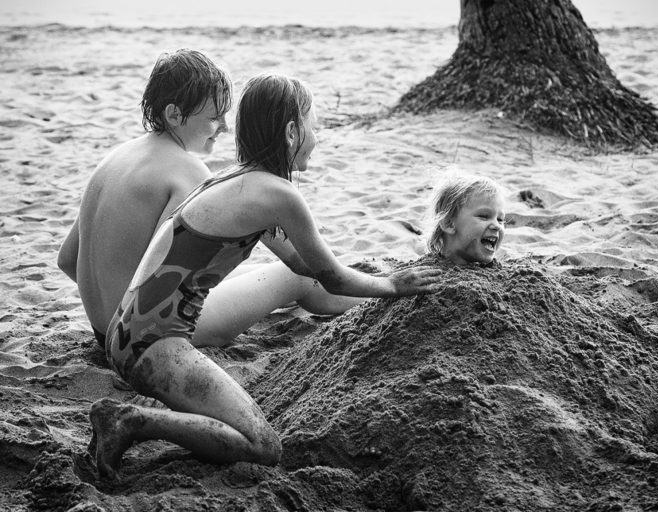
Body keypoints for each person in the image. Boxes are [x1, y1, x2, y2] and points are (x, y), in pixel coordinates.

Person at [89, 74, 442, 478]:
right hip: (154, 346)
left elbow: (301, 265)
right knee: (264, 446)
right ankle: (130, 421)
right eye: (314, 126)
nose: (317, 138)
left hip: (125, 334)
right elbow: (332, 279)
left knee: (248, 433)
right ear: (292, 132)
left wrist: (374, 288)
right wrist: (395, 285)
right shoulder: (280, 196)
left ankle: (131, 419)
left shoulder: (233, 179)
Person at [57, 49, 361, 350]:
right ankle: (369, 306)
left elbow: (67, 259)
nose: (225, 128)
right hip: (144, 336)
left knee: (259, 275)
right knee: (295, 277)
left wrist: (109, 295)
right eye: (215, 117)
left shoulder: (114, 159)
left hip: (104, 329)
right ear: (175, 114)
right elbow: (160, 277)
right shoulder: (186, 171)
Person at [425, 173, 506, 265]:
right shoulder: (421, 271)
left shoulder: (502, 273)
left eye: (500, 220)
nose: (497, 226)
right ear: (449, 224)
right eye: (484, 216)